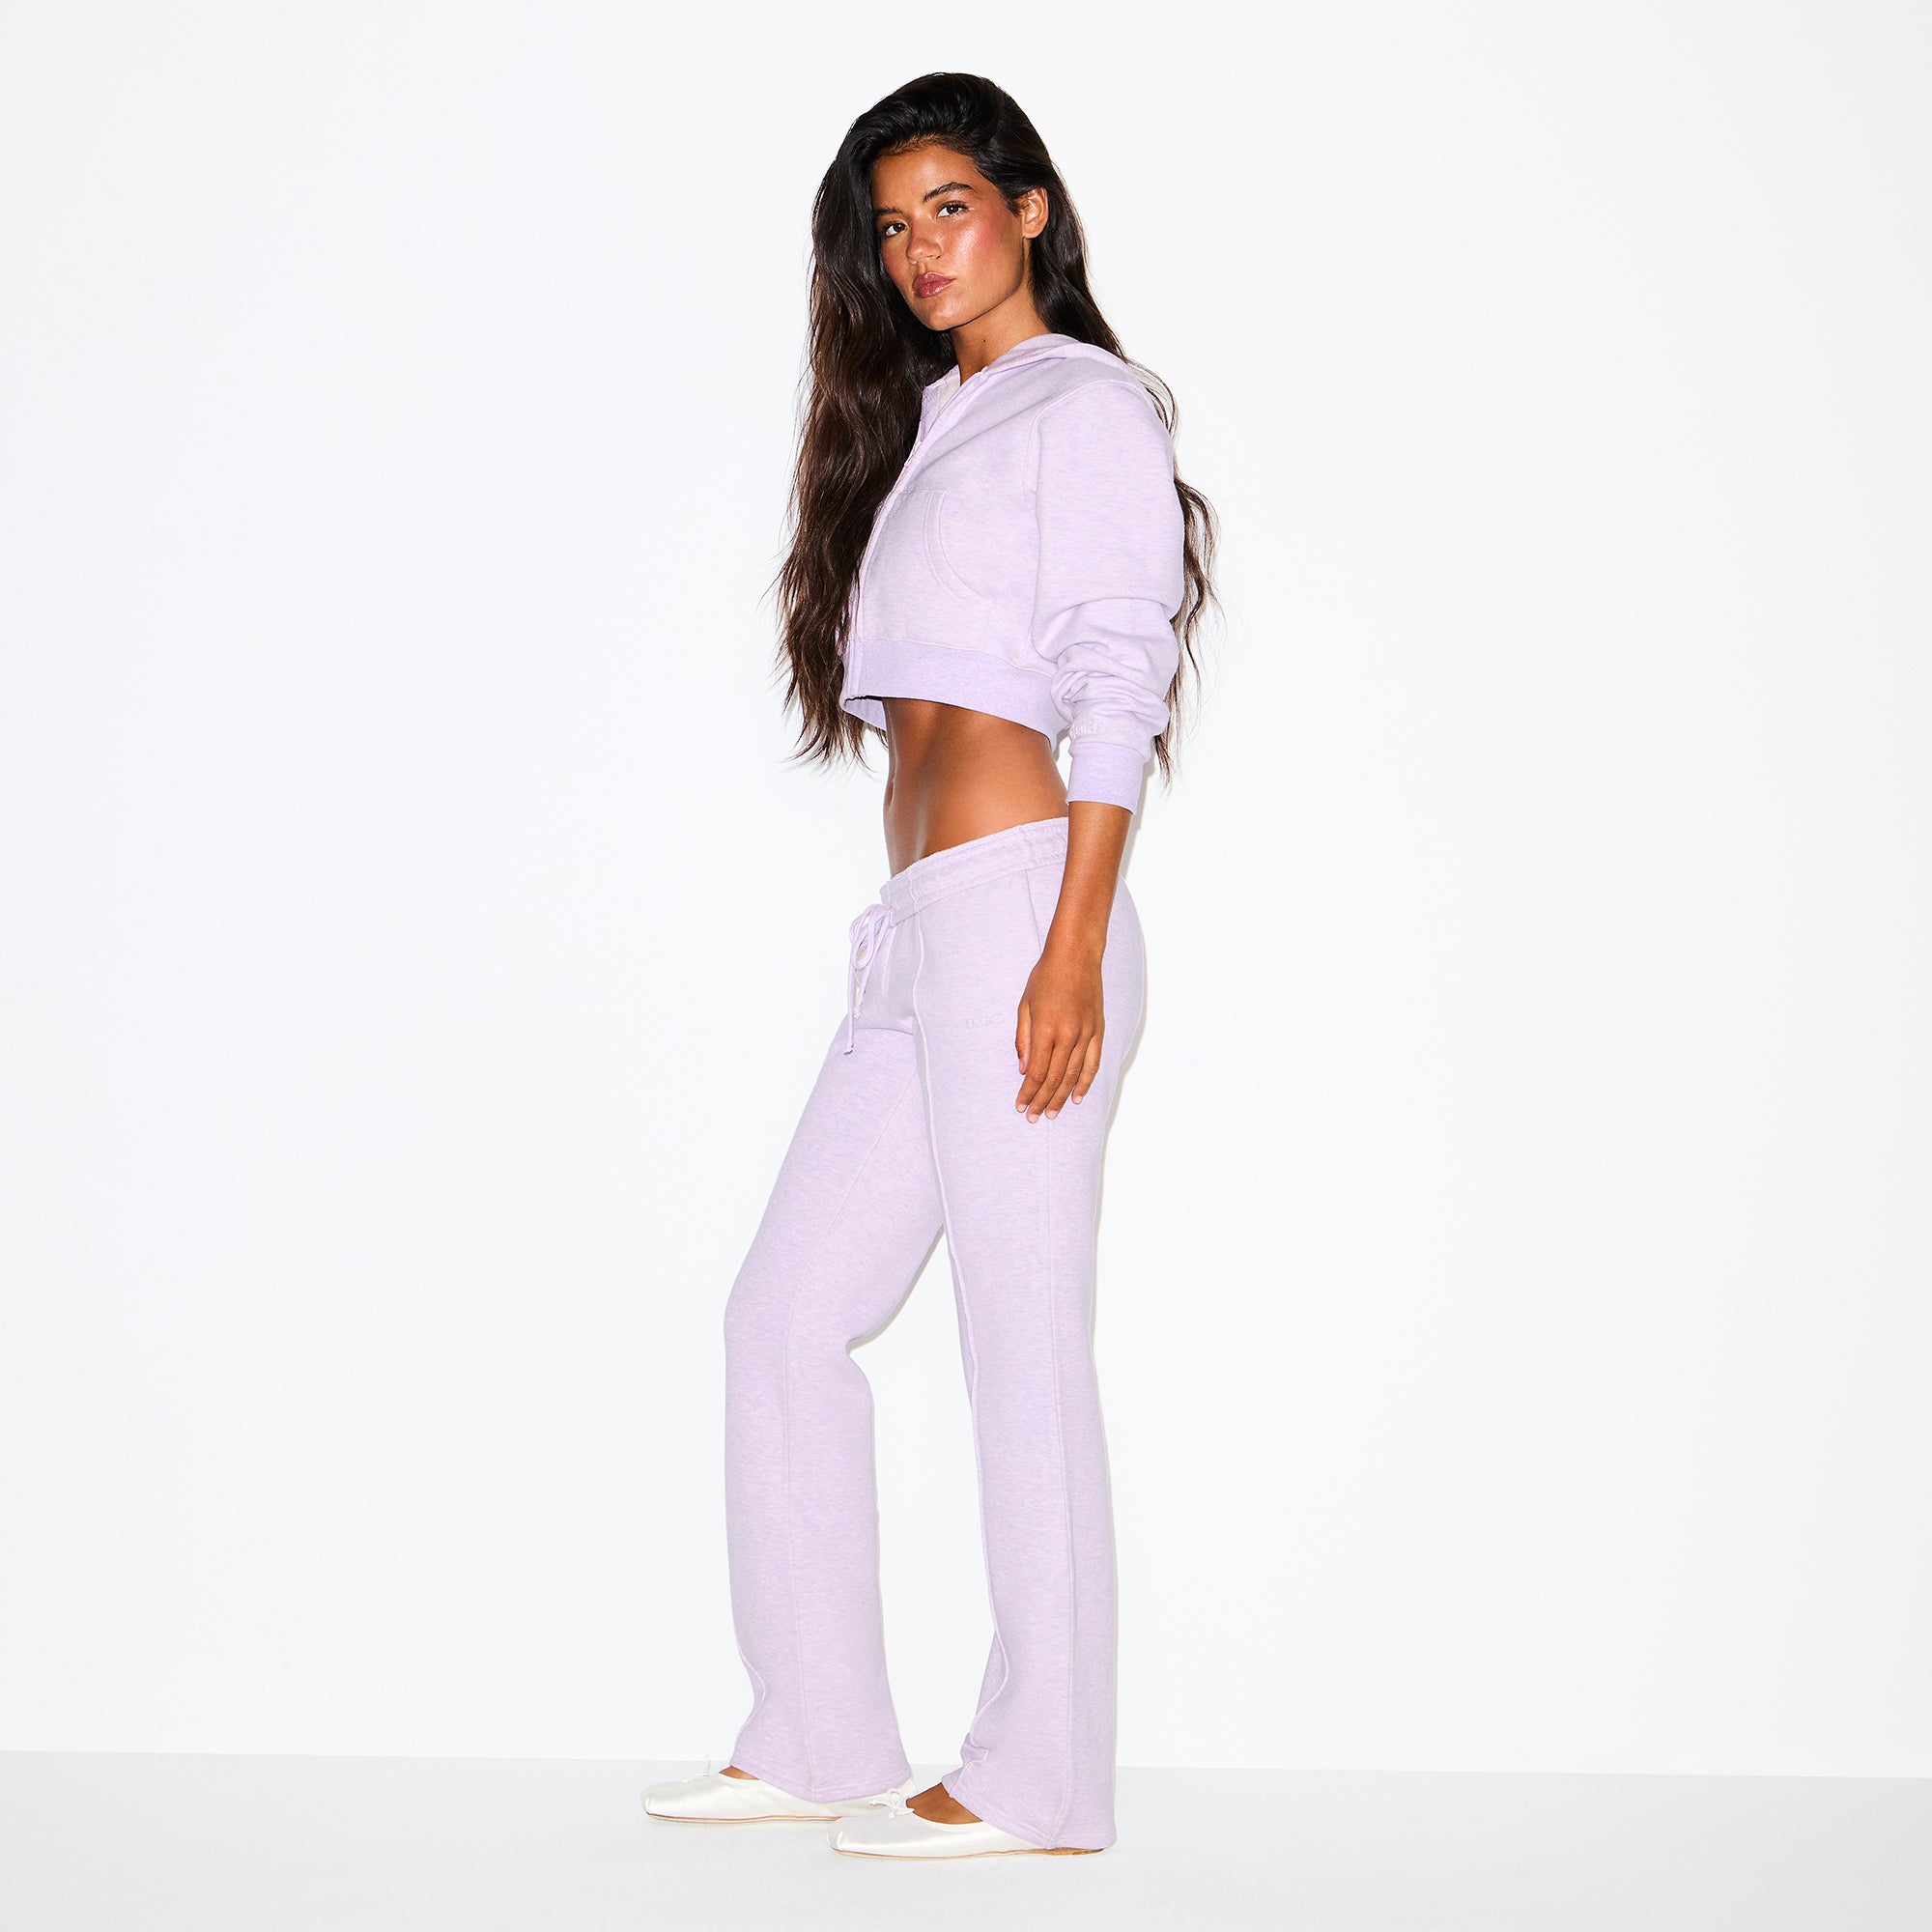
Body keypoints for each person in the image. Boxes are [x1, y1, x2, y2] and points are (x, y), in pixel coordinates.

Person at [643, 71, 1218, 1860]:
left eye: (950, 207)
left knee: (1019, 1348)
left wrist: (1071, 951)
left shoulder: (1086, 406)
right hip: (918, 936)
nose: (920, 251)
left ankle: (1038, 1777)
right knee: (784, 1315)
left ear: (1029, 209)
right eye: (893, 227)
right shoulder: (929, 429)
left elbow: (1118, 675)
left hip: (1027, 913)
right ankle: (821, 1728)